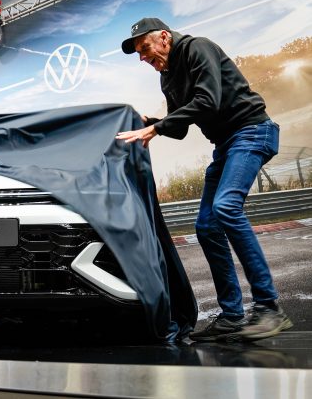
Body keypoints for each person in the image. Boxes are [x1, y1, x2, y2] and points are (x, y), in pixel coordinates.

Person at [116, 18, 292, 342]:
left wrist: (156, 127)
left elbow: (208, 101)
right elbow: (180, 129)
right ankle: (232, 316)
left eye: (144, 48)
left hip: (252, 131)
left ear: (164, 38)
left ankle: (269, 308)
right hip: (225, 145)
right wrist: (151, 122)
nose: (142, 58)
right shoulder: (167, 77)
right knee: (207, 227)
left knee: (226, 207)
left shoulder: (198, 48)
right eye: (139, 53)